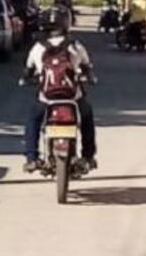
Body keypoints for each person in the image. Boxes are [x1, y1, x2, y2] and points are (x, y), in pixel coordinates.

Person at [22, 9, 97, 172]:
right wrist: (91, 78)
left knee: (33, 119)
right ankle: (88, 156)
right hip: (73, 96)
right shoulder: (75, 46)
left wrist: (25, 79)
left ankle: (32, 158)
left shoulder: (38, 47)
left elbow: (28, 70)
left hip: (46, 96)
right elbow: (87, 67)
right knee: (86, 116)